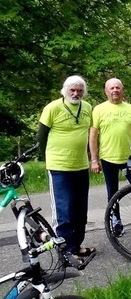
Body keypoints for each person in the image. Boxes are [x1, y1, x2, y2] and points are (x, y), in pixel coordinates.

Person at [37, 75, 95, 258]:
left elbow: (89, 133)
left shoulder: (87, 108)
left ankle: (76, 245)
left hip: (80, 166)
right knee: (64, 210)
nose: (76, 93)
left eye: (79, 90)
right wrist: (44, 157)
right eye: (72, 90)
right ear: (65, 90)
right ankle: (65, 252)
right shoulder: (53, 108)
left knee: (80, 209)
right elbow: (41, 136)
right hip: (59, 166)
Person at [89, 78, 131, 238]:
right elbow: (93, 136)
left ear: (122, 90)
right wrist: (94, 160)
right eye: (111, 88)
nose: (115, 90)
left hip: (130, 157)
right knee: (112, 192)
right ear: (106, 91)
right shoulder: (99, 110)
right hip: (108, 157)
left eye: (118, 88)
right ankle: (116, 221)